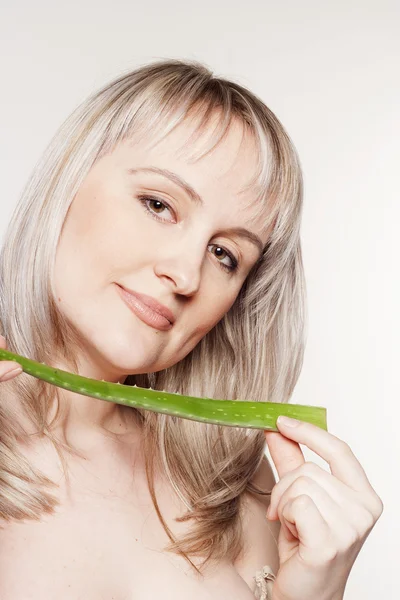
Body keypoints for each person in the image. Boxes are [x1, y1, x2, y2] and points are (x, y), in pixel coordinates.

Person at [0, 58, 382, 600]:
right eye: (158, 205)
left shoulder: (237, 491)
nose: (183, 274)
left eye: (225, 255)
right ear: (67, 182)